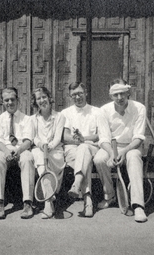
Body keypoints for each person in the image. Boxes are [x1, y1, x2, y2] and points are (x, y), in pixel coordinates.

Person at [93, 78, 148, 223]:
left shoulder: (139, 108)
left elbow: (139, 138)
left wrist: (123, 152)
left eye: (122, 93)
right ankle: (110, 196)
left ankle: (138, 205)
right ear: (110, 96)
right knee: (99, 159)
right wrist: (112, 154)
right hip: (111, 147)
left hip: (131, 146)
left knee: (134, 158)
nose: (119, 98)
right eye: (115, 94)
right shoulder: (103, 111)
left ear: (128, 92)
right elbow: (103, 138)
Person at [61, 82, 109, 217]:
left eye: (80, 93)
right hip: (72, 150)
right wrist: (78, 140)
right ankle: (88, 201)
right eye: (74, 95)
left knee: (83, 149)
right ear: (70, 97)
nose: (77, 97)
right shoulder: (66, 113)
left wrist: (84, 139)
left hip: (92, 147)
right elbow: (65, 136)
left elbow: (100, 135)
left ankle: (77, 185)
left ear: (86, 93)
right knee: (83, 157)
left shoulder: (97, 112)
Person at [0, 87, 35, 219]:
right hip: (3, 149)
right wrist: (6, 151)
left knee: (27, 159)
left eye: (12, 99)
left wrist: (18, 150)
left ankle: (27, 203)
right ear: (2, 102)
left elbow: (28, 141)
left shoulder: (27, 119)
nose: (10, 102)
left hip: (22, 149)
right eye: (6, 100)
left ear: (18, 100)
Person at [29, 87, 66, 219]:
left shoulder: (59, 116)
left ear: (49, 98)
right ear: (35, 102)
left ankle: (50, 194)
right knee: (39, 156)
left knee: (48, 159)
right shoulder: (33, 119)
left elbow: (57, 137)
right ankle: (48, 202)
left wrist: (49, 147)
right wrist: (41, 145)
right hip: (40, 150)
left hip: (55, 151)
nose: (42, 100)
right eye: (38, 98)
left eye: (44, 97)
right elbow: (34, 138)